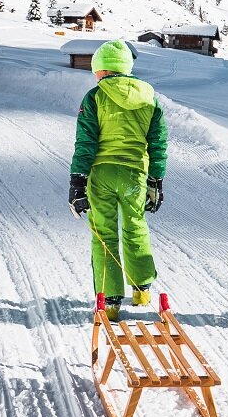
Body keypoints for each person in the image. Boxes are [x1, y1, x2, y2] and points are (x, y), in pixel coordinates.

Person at [69, 40, 167, 310]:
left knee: (104, 234)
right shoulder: (150, 98)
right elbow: (158, 143)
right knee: (135, 227)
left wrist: (77, 181)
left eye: (96, 71)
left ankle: (110, 301)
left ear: (102, 70)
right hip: (135, 175)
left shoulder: (94, 97)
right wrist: (156, 180)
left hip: (101, 175)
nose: (95, 76)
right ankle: (141, 290)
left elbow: (85, 142)